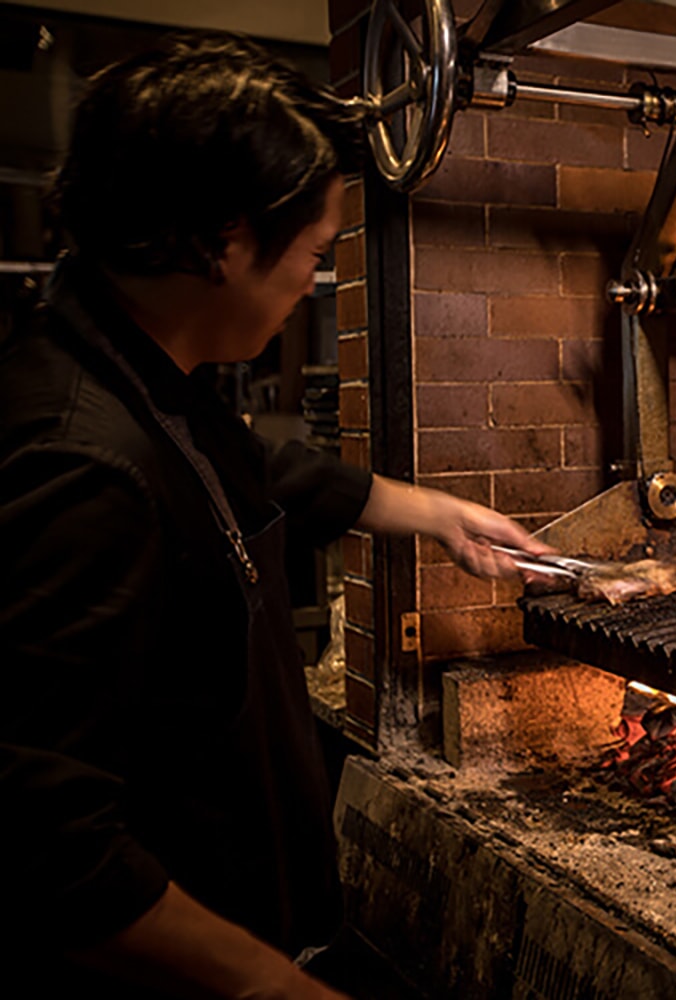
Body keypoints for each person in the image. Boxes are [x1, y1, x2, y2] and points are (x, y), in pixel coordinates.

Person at [0, 33, 550, 998]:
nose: (311, 280)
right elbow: (48, 842)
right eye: (312, 251)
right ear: (221, 242)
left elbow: (256, 471)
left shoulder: (138, 367)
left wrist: (437, 516)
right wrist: (270, 985)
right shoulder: (81, 465)